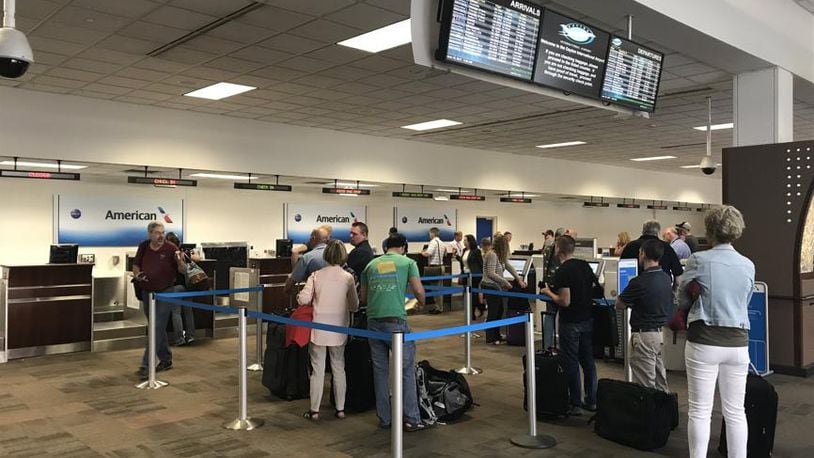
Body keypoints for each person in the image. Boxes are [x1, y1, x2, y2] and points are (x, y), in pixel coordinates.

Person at [679, 206, 754, 458]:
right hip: (738, 342)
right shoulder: (747, 264)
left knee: (700, 410)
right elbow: (745, 300)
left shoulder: (699, 260)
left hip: (704, 341)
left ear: (709, 230)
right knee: (735, 412)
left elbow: (682, 296)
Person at [361, 233, 428, 432]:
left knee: (380, 372)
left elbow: (364, 296)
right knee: (406, 371)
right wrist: (422, 303)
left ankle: (385, 418)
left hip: (373, 321)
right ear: (404, 247)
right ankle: (412, 418)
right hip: (396, 322)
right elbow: (417, 290)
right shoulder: (408, 263)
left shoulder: (371, 265)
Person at [298, 240, 359, 421]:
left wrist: (299, 296)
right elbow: (354, 305)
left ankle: (314, 410)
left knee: (317, 370)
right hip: (339, 328)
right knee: (339, 368)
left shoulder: (316, 275)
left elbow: (303, 299)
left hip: (318, 328)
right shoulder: (347, 278)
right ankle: (340, 409)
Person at [540, 235, 597, 415]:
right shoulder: (585, 265)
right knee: (588, 361)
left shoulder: (563, 271)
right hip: (587, 320)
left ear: (559, 250)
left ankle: (575, 403)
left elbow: (564, 301)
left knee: (571, 361)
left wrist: (548, 292)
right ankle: (592, 400)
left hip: (570, 322)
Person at [615, 239, 672, 392]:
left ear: (643, 254)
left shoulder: (639, 282)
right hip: (660, 334)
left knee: (646, 384)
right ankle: (664, 413)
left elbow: (619, 304)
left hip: (643, 336)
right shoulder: (667, 278)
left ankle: (649, 415)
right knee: (660, 381)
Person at [133, 222, 187, 380]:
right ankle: (166, 359)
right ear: (150, 234)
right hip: (147, 292)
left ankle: (146, 364)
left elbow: (183, 270)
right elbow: (136, 265)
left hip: (165, 293)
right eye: (157, 232)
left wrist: (180, 261)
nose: (161, 235)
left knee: (156, 327)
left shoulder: (171, 248)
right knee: (156, 327)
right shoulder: (143, 246)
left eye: (163, 232)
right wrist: (137, 275)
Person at [480, 233, 525, 344]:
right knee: (493, 312)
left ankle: (497, 335)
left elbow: (508, 266)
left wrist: (518, 279)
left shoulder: (499, 256)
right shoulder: (492, 255)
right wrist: (505, 282)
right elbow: (491, 273)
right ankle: (490, 337)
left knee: (499, 311)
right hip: (490, 286)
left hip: (496, 287)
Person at [620, 220, 684, 288]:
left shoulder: (630, 246)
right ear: (658, 232)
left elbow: (622, 271)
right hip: (662, 291)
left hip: (634, 291)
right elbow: (678, 276)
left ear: (643, 231)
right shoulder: (666, 247)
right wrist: (672, 292)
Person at [165, 232, 196, 346]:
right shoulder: (184, 253)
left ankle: (179, 339)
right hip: (189, 286)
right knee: (189, 312)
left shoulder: (168, 256)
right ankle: (190, 336)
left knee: (176, 313)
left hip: (176, 287)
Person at [285, 226, 330, 293]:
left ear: (313, 238)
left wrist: (287, 289)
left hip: (316, 296)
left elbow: (291, 283)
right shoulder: (337, 254)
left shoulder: (307, 257)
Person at [421, 227, 448, 314]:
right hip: (441, 267)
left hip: (434, 267)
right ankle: (440, 307)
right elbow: (446, 254)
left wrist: (422, 252)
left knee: (435, 289)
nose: (429, 236)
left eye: (429, 234)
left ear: (432, 233)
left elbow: (428, 253)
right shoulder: (442, 243)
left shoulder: (433, 242)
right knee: (439, 288)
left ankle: (438, 308)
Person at [461, 234, 485, 319]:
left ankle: (475, 311)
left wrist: (482, 275)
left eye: (465, 240)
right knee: (467, 294)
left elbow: (480, 263)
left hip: (475, 276)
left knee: (474, 295)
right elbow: (463, 262)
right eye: (463, 240)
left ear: (470, 241)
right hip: (466, 275)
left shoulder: (476, 251)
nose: (464, 242)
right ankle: (475, 310)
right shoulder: (464, 250)